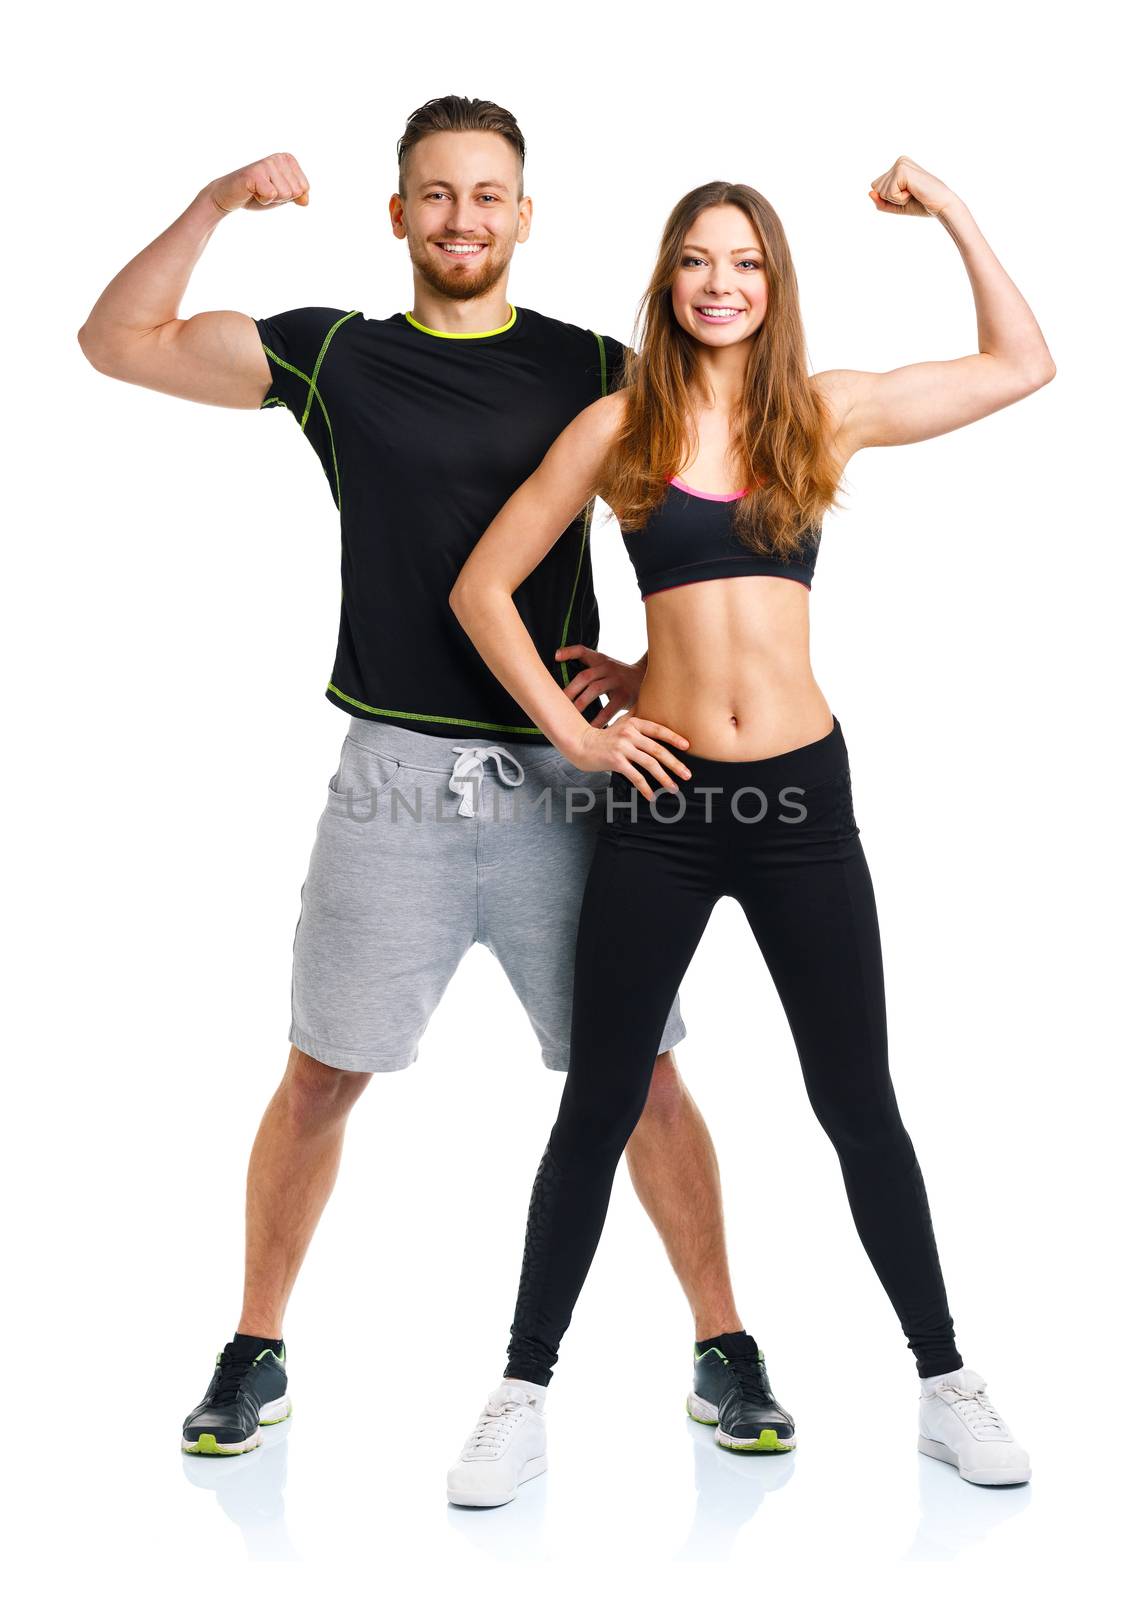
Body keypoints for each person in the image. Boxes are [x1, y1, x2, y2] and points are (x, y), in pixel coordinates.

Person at [77, 97, 773, 1458]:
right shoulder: (333, 354)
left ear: (523, 215)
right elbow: (115, 345)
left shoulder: (593, 366)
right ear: (400, 214)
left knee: (640, 1077)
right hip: (391, 774)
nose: (463, 217)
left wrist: (642, 667)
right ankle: (254, 1346)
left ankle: (724, 1345)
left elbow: (703, 536)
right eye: (438, 195)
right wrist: (217, 198)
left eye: (489, 194)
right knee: (324, 1073)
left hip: (562, 778)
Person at [447, 160, 1053, 1505]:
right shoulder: (617, 426)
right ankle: (519, 1390)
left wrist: (952, 209)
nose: (719, 286)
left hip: (797, 806)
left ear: (773, 288)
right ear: (667, 282)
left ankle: (944, 1382)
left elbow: (1021, 364)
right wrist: (573, 722)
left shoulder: (821, 413)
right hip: (661, 807)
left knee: (856, 1103)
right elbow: (484, 585)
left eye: (745, 265)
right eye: (695, 263)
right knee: (598, 1099)